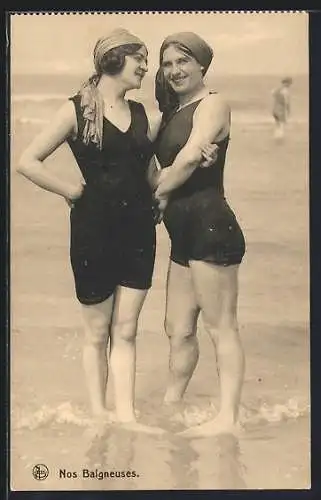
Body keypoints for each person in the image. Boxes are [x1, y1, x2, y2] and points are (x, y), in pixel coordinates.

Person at [17, 29, 215, 434]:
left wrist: (203, 160)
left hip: (139, 232)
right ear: (113, 60)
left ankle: (125, 417)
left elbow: (152, 172)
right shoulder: (75, 110)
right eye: (139, 59)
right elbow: (27, 160)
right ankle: (99, 416)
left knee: (126, 330)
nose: (147, 67)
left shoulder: (144, 116)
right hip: (92, 231)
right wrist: (70, 189)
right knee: (96, 332)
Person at [150, 32, 246, 437]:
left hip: (211, 225)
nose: (174, 70)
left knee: (221, 325)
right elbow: (151, 167)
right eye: (168, 63)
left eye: (182, 62)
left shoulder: (213, 104)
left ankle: (228, 418)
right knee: (178, 328)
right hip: (182, 235)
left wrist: (156, 194)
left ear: (202, 64)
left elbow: (190, 158)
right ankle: (173, 405)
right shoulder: (172, 113)